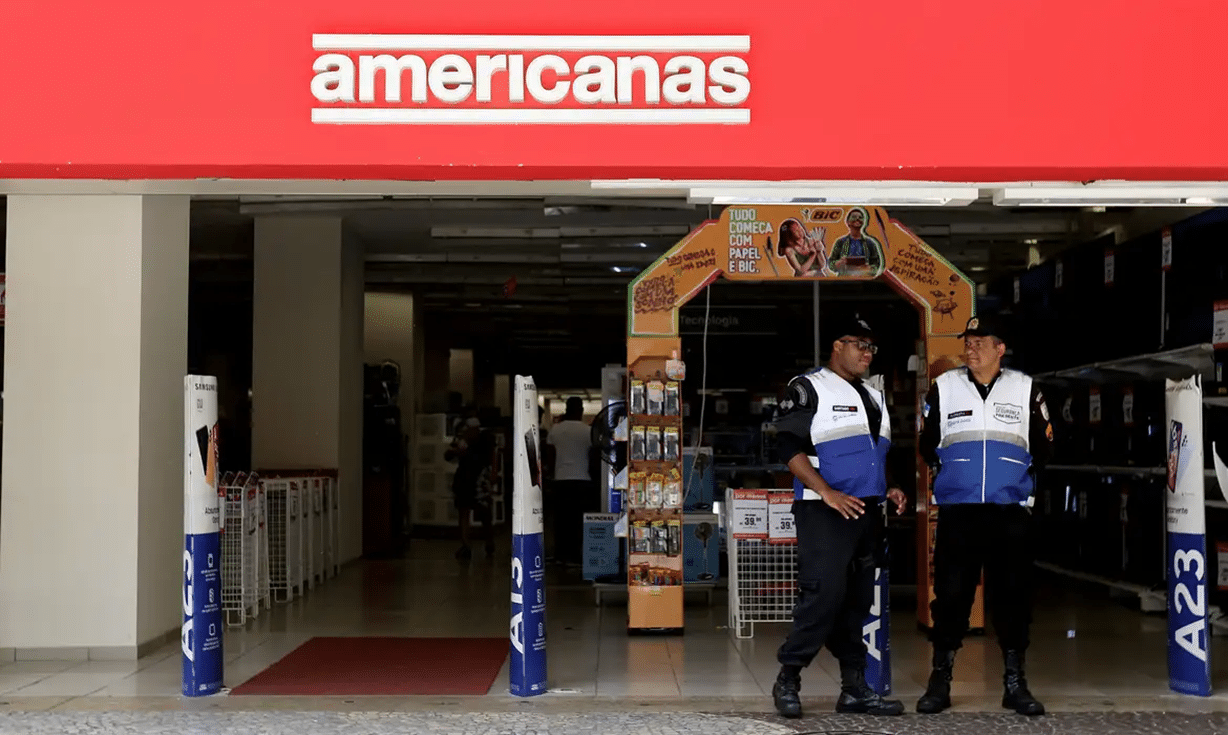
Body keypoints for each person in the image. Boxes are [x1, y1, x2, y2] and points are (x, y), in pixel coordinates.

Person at [769, 316, 908, 719]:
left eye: (871, 347)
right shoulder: (809, 387)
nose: (866, 353)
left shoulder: (874, 395)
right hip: (822, 511)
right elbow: (787, 446)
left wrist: (891, 486)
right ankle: (788, 677)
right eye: (858, 344)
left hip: (867, 512)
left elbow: (877, 454)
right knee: (824, 595)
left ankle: (854, 689)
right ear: (836, 346)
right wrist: (826, 491)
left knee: (858, 602)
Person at [916, 314, 1053, 717]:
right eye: (968, 340)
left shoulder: (1026, 388)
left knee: (1013, 596)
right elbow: (927, 443)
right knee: (952, 595)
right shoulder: (944, 388)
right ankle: (940, 680)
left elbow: (1044, 448)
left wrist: (1018, 484)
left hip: (1009, 512)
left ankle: (1015, 683)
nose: (970, 346)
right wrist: (956, 475)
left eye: (979, 340)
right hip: (960, 512)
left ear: (1000, 348)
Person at [545, 397, 595, 566]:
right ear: (580, 410)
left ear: (566, 409)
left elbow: (550, 455)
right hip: (583, 480)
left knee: (561, 521)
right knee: (579, 521)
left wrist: (552, 474)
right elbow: (593, 456)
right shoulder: (588, 431)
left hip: (561, 480)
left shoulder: (556, 430)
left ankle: (561, 555)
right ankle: (578, 556)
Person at [446, 414, 496, 561]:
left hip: (479, 478)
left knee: (484, 512)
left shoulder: (485, 440)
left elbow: (492, 456)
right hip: (465, 478)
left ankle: (488, 540)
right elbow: (448, 455)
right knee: (464, 511)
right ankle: (466, 545)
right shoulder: (463, 441)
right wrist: (456, 452)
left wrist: (492, 474)